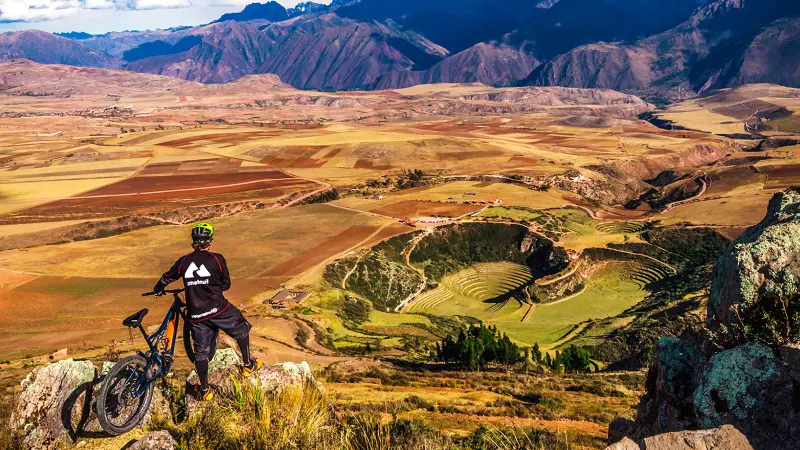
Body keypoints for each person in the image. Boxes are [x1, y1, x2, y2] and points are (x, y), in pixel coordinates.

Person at [153, 222, 262, 401]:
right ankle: (248, 365)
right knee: (241, 329)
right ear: (210, 240)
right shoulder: (217, 259)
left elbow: (166, 278)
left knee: (201, 353)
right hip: (218, 309)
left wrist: (158, 288)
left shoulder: (184, 261)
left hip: (196, 316)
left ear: (193, 242)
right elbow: (226, 284)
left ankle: (204, 390)